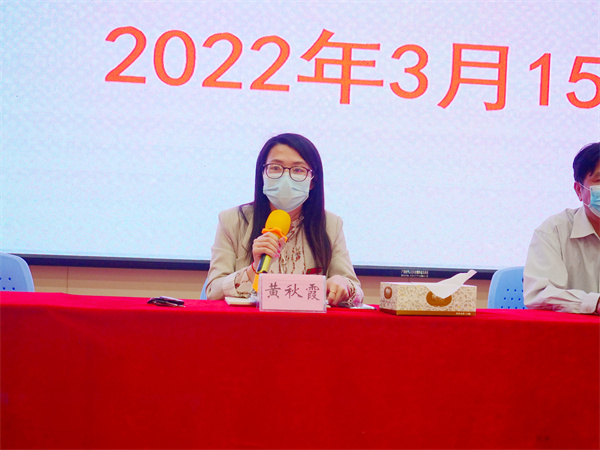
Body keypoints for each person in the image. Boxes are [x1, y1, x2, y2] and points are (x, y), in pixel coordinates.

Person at [205, 133, 364, 306]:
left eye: (298, 170)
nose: (285, 177)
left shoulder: (330, 225)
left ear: (312, 181)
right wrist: (253, 270)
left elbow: (357, 292)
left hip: (308, 322)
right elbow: (213, 291)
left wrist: (342, 283)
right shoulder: (232, 220)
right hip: (251, 322)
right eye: (275, 168)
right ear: (263, 174)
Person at [523, 142, 600, 314]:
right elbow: (539, 293)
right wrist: (595, 303)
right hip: (573, 330)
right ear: (579, 190)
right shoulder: (553, 231)